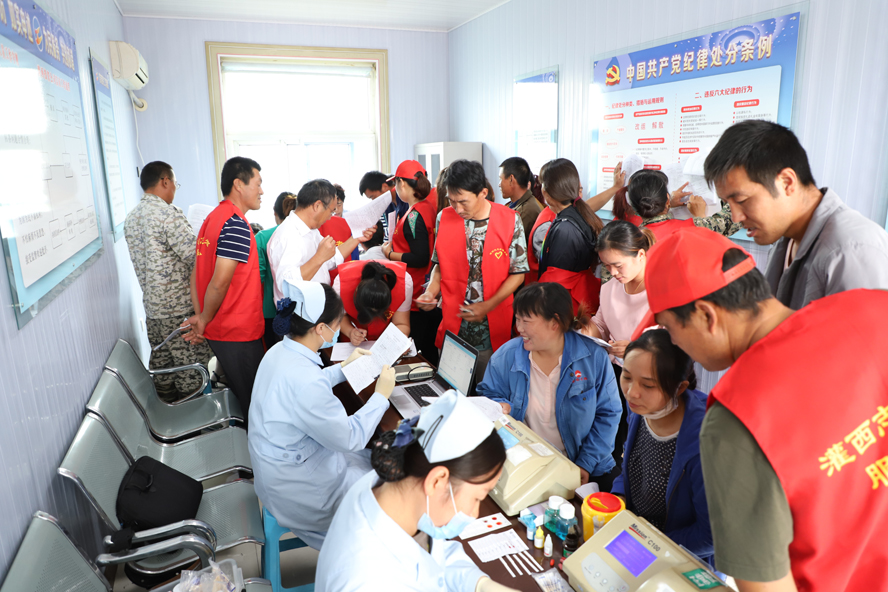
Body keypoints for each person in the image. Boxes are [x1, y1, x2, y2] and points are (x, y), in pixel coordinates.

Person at [632, 227, 888, 592]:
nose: (674, 343)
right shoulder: (872, 307)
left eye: (671, 330)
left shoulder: (736, 417)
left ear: (706, 315)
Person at [316, 390, 516, 592]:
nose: (475, 513)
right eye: (478, 498)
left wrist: (477, 583)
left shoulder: (397, 490)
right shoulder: (368, 581)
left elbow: (433, 556)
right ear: (437, 481)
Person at [248, 280, 396, 550]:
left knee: (369, 460)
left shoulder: (280, 350)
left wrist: (343, 368)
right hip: (302, 493)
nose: (339, 329)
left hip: (279, 472)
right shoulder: (305, 380)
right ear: (320, 328)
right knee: (392, 479)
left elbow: (306, 386)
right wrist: (380, 397)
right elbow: (349, 438)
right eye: (338, 323)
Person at [704, 119, 888, 309]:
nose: (736, 217)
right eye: (727, 204)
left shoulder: (850, 251)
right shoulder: (786, 237)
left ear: (786, 182)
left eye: (742, 200)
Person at [477, 282, 621, 490]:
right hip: (526, 463)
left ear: (554, 322)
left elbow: (608, 414)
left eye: (526, 321)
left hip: (583, 465)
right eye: (517, 319)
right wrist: (500, 404)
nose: (519, 328)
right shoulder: (506, 356)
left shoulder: (593, 358)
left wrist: (585, 463)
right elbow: (489, 394)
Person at [417, 159, 529, 378]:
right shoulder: (444, 218)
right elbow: (439, 265)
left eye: (463, 202)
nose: (458, 209)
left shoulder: (510, 220)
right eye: (452, 201)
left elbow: (518, 274)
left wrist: (487, 306)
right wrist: (431, 291)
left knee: (490, 390)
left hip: (492, 328)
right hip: (453, 323)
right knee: (451, 387)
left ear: (483, 193)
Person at [611, 329, 713, 564]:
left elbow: (710, 536)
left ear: (679, 387)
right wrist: (618, 497)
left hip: (677, 555)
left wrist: (652, 545)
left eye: (648, 385)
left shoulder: (706, 441)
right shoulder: (641, 408)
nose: (632, 392)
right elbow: (632, 462)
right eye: (627, 376)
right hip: (636, 536)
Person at [185, 157, 265, 423]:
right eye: (258, 183)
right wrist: (203, 320)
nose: (262, 190)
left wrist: (202, 318)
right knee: (254, 405)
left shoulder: (212, 219)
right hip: (237, 332)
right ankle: (253, 448)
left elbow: (196, 275)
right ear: (239, 184)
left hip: (222, 329)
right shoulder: (235, 224)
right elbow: (219, 282)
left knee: (243, 397)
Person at [124, 161, 212, 401]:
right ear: (165, 181)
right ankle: (196, 422)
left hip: (154, 313)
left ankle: (168, 421)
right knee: (192, 376)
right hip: (180, 313)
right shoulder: (168, 214)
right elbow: (195, 257)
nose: (174, 189)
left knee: (164, 374)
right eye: (175, 183)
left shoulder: (131, 218)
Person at [583, 220, 655, 466]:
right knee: (617, 439)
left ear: (640, 255)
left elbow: (674, 339)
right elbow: (601, 324)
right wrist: (584, 330)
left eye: (618, 265)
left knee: (643, 444)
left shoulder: (661, 290)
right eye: (607, 266)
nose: (613, 272)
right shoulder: (610, 288)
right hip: (617, 373)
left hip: (651, 379)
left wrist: (635, 348)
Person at [267, 179, 375, 300]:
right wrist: (319, 257)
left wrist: (356, 238)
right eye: (331, 211)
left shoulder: (311, 230)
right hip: (300, 310)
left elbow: (330, 259)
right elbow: (286, 285)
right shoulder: (287, 235)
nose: (330, 217)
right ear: (317, 206)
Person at [382, 160, 441, 364]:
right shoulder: (427, 207)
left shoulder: (414, 215)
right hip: (424, 288)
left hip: (415, 291)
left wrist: (390, 254)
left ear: (401, 183)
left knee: (419, 352)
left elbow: (420, 257)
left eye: (395, 184)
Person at [537, 158, 604, 313]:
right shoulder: (575, 215)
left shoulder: (565, 229)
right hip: (577, 298)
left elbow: (557, 281)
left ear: (546, 191)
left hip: (565, 304)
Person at [628, 169, 741, 241]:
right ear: (667, 198)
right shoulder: (692, 228)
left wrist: (668, 205)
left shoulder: (632, 239)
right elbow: (732, 216)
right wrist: (700, 216)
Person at [333, 260, 411, 343]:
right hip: (352, 343)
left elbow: (401, 323)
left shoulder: (403, 284)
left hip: (386, 342)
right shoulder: (341, 284)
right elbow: (339, 318)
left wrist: (398, 338)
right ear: (357, 291)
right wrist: (350, 332)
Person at [256, 192, 291, 349]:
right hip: (299, 307)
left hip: (270, 309)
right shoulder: (304, 235)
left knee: (274, 352)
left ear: (275, 212)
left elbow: (258, 277)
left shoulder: (262, 237)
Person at [500, 157, 542, 240]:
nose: (499, 184)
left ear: (511, 179)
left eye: (500, 179)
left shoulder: (525, 212)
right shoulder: (516, 204)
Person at [361, 170, 407, 244]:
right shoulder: (387, 206)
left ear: (385, 187)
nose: (373, 201)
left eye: (373, 197)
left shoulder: (406, 200)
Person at [319, 183, 358, 267]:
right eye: (333, 206)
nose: (336, 209)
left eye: (339, 205)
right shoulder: (323, 222)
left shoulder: (350, 220)